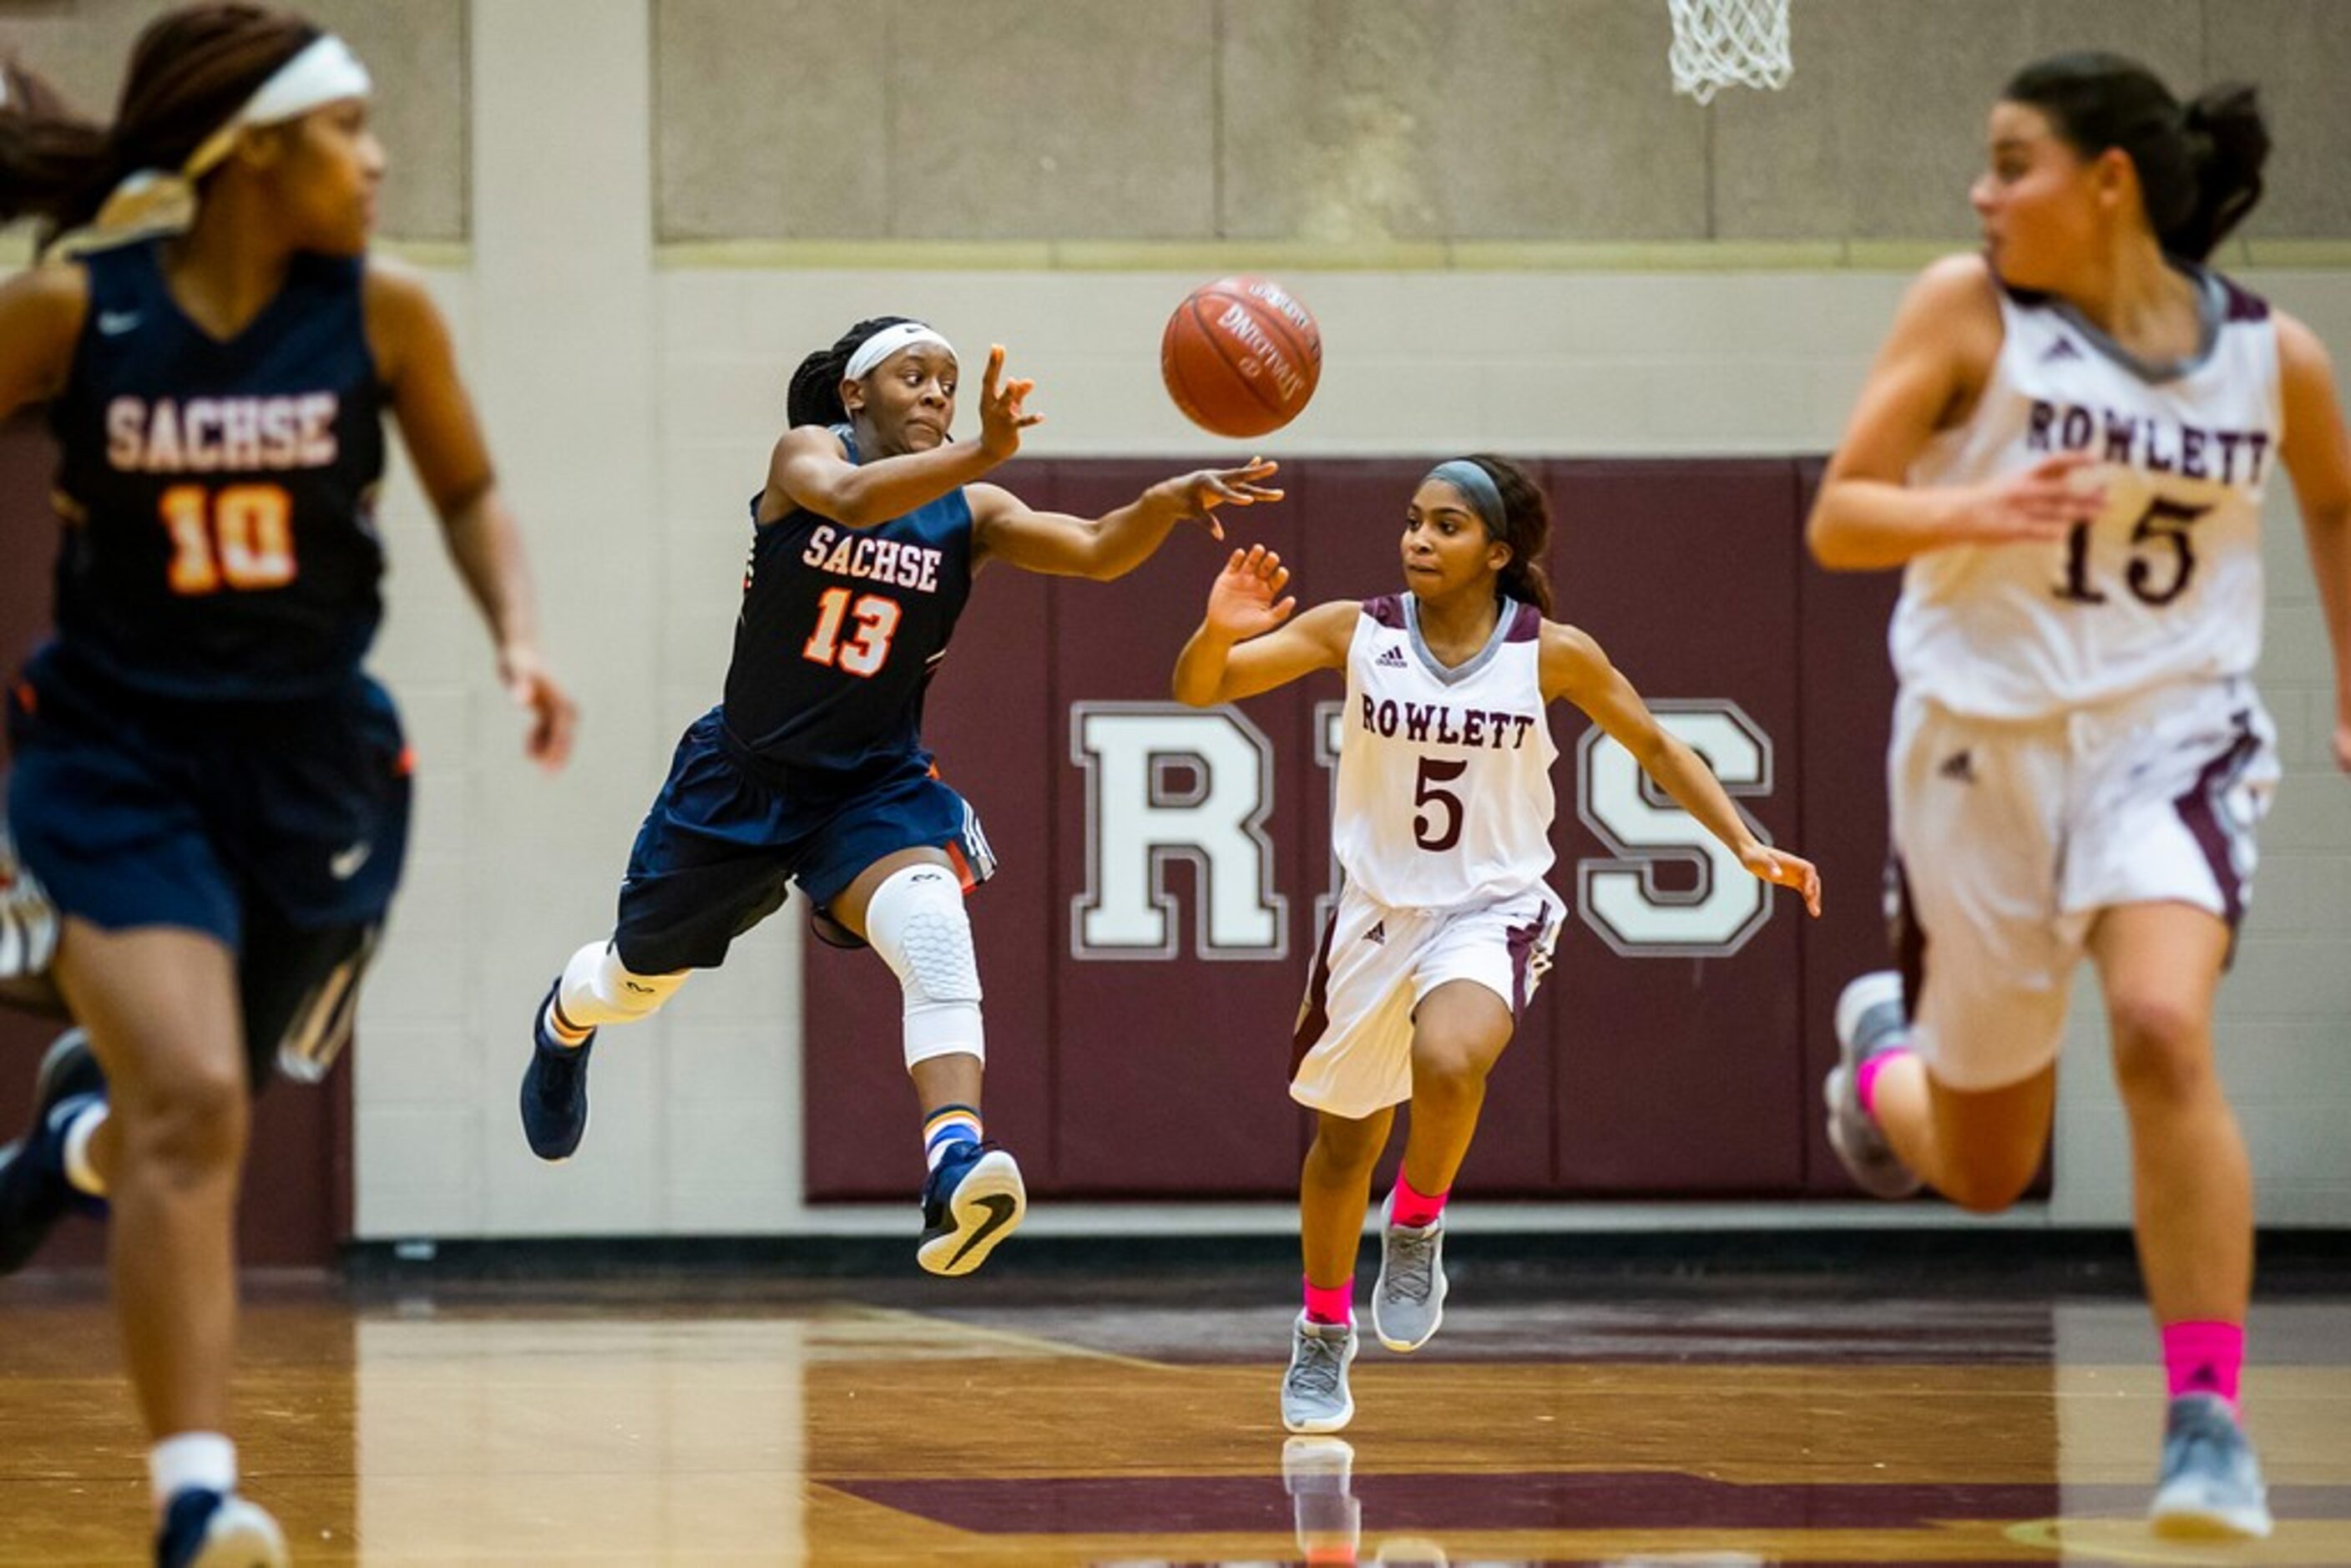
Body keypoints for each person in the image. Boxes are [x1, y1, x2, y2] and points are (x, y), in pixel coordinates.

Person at [0, 8, 575, 1563]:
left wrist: (519, 636)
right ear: (253, 151)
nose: (378, 159)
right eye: (348, 129)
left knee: (205, 1107)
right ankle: (195, 1494)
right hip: (115, 760)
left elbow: (467, 492)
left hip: (315, 765)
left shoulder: (383, 315)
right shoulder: (74, 314)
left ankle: (60, 1153)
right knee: (193, 1102)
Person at [1808, 53, 2350, 1542]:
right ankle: (1878, 1055)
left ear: (2108, 180)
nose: (1981, 196)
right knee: (1985, 1170)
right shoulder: (1965, 313)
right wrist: (1970, 505)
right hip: (1980, 747)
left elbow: (2333, 498)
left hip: (2171, 733)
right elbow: (1842, 512)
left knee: (2163, 1028)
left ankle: (2206, 1418)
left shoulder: (2269, 356)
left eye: (2011, 162)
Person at [520, 315, 1279, 1276]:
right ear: (853, 395)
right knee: (637, 981)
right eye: (913, 376)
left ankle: (952, 1165)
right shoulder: (806, 456)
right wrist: (981, 449)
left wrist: (1162, 505)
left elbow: (1091, 547)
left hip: (869, 788)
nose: (934, 393)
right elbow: (846, 498)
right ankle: (565, 1020)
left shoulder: (971, 512)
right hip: (741, 780)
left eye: (948, 383)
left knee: (931, 923)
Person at [1170, 456, 1822, 1434]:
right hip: (1376, 913)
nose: (1417, 541)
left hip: (1491, 906)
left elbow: (1651, 744)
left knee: (1448, 1055)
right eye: (1411, 522)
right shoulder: (1358, 631)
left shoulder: (1548, 652)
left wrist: (1740, 840)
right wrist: (1215, 630)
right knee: (1344, 1143)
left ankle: (1420, 1218)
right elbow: (1199, 690)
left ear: (1497, 552)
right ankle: (1320, 1331)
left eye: (1444, 527)